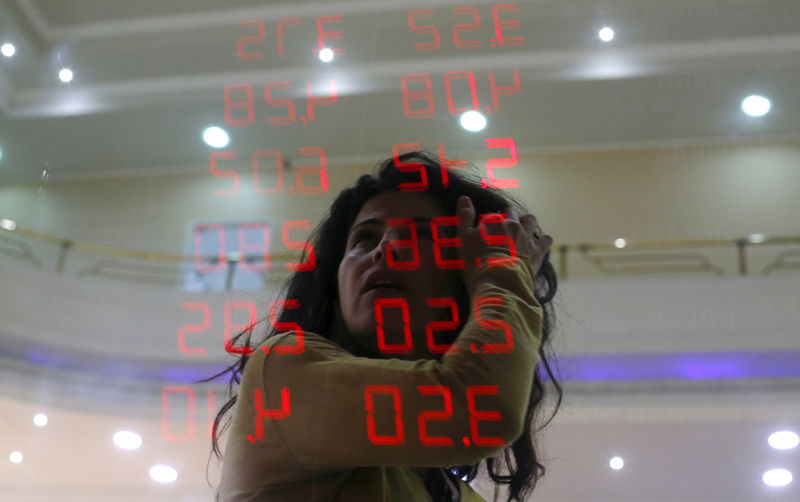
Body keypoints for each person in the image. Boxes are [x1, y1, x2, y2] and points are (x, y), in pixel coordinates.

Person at [200, 151, 562, 501]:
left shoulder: (452, 489)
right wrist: (502, 273)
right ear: (333, 281)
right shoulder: (286, 366)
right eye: (365, 237)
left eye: (423, 236)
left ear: (467, 278)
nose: (386, 248)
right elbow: (480, 408)